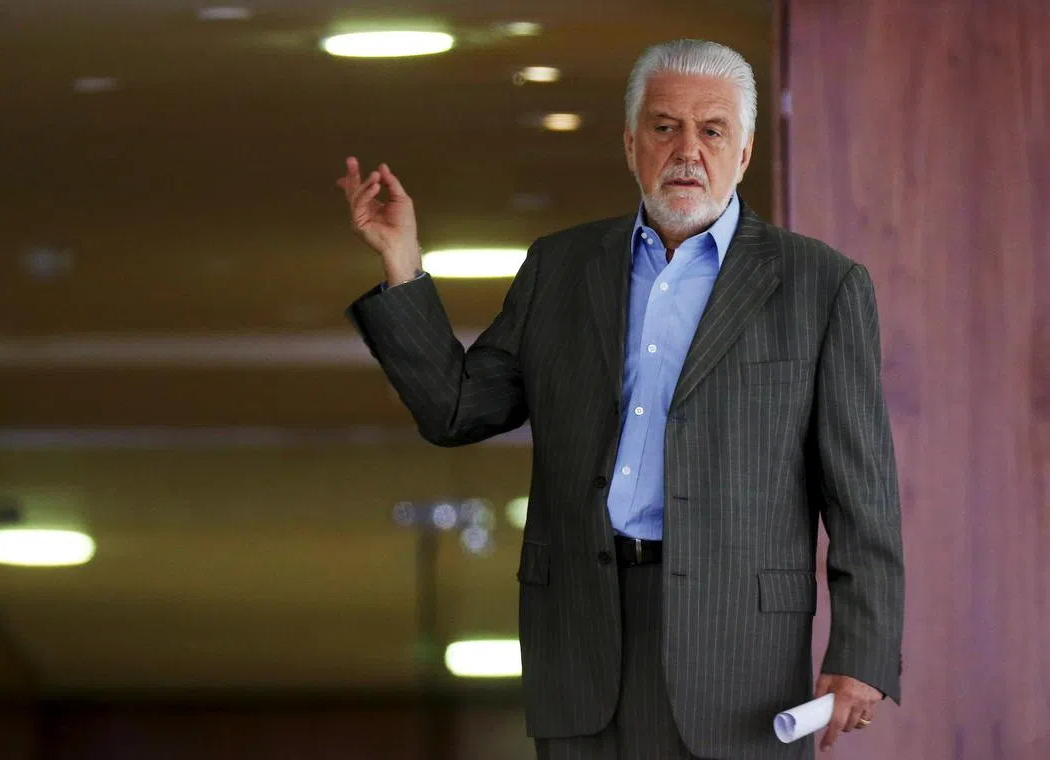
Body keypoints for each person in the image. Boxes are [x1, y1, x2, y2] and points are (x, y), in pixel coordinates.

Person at [337, 38, 904, 760]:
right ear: (630, 143)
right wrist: (402, 265)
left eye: (712, 130)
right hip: (581, 626)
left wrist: (863, 649)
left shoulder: (821, 286)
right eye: (665, 127)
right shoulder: (560, 266)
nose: (687, 150)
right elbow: (458, 409)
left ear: (747, 150)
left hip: (739, 650)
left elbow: (864, 496)